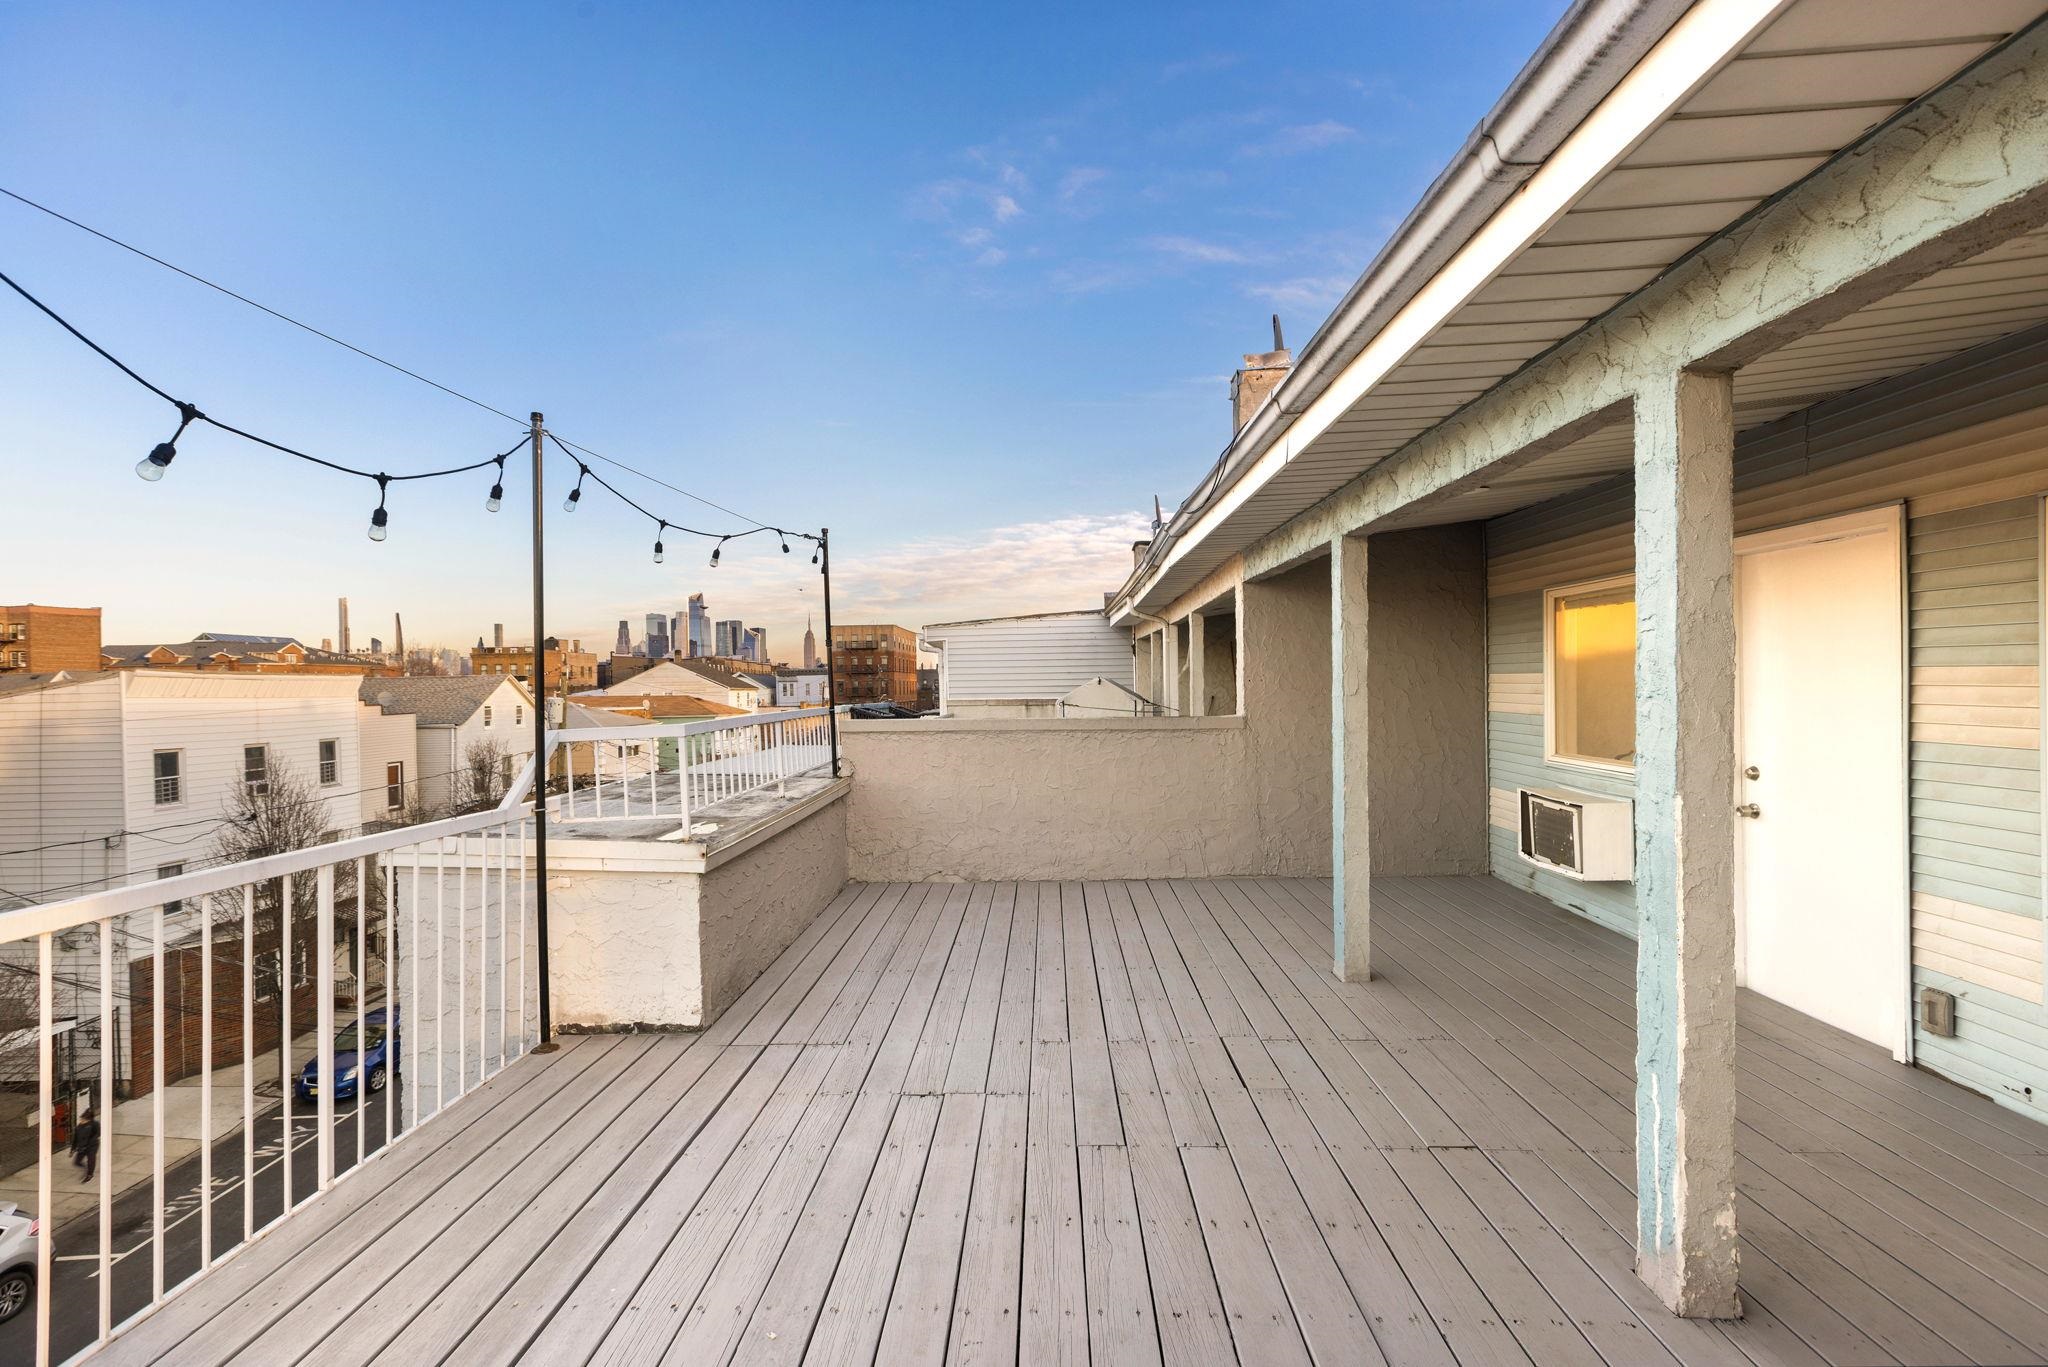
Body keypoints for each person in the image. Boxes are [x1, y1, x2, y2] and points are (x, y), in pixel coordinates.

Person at [70, 1108, 100, 1183]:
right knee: (77, 1162)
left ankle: (90, 1174)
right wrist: (72, 1150)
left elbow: (97, 1134)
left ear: (88, 1120)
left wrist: (90, 1142)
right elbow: (75, 1138)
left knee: (91, 1160)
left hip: (92, 1146)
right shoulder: (79, 1127)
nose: (81, 1120)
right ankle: (86, 1169)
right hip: (82, 1147)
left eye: (83, 1119)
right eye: (81, 1119)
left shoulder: (95, 1124)